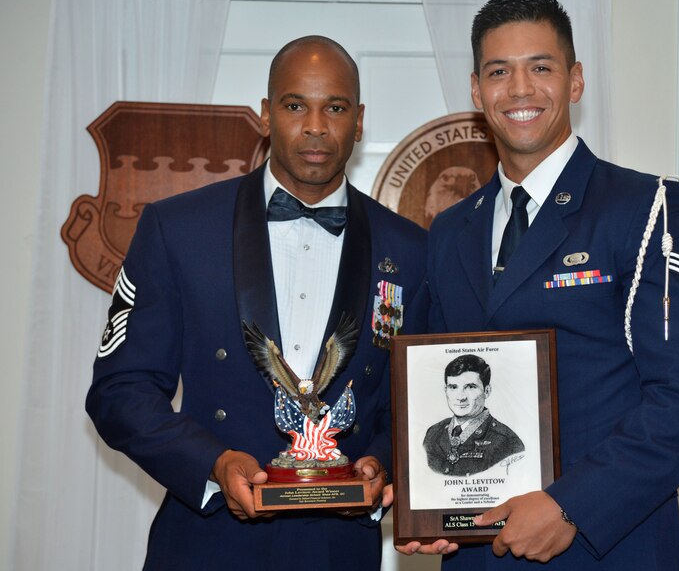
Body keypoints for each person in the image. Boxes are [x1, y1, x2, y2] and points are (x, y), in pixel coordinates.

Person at [401, 0, 679, 569]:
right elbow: (433, 380)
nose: (521, 89)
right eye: (500, 71)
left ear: (575, 81)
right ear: (478, 91)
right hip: (479, 552)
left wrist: (571, 507)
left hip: (607, 545)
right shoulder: (452, 229)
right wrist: (428, 508)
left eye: (541, 68)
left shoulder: (646, 207)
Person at [86, 36, 428, 570]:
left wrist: (381, 462)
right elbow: (120, 391)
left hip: (340, 551)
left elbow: (415, 400)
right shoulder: (178, 229)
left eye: (335, 108)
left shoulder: (410, 249)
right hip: (206, 543)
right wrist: (212, 463)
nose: (316, 125)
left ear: (358, 121)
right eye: (295, 106)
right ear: (266, 114)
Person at [423, 354, 524, 476]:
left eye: (470, 387)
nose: (460, 397)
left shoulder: (507, 441)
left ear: (486, 391)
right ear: (446, 390)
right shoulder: (433, 433)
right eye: (453, 387)